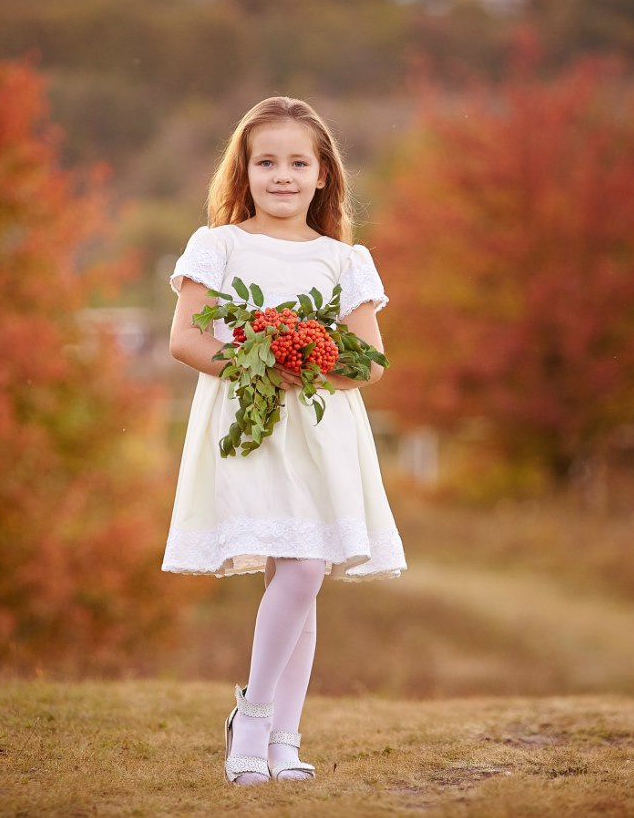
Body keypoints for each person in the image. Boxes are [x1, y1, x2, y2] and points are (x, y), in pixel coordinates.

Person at [163, 96, 407, 786]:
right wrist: (261, 360)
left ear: (324, 173)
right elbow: (186, 339)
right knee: (298, 572)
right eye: (266, 161)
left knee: (305, 574)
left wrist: (310, 358)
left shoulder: (343, 260)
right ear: (244, 169)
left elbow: (371, 362)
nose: (282, 175)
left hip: (321, 430)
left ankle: (278, 739)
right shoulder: (219, 246)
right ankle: (255, 723)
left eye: (298, 162)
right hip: (249, 424)